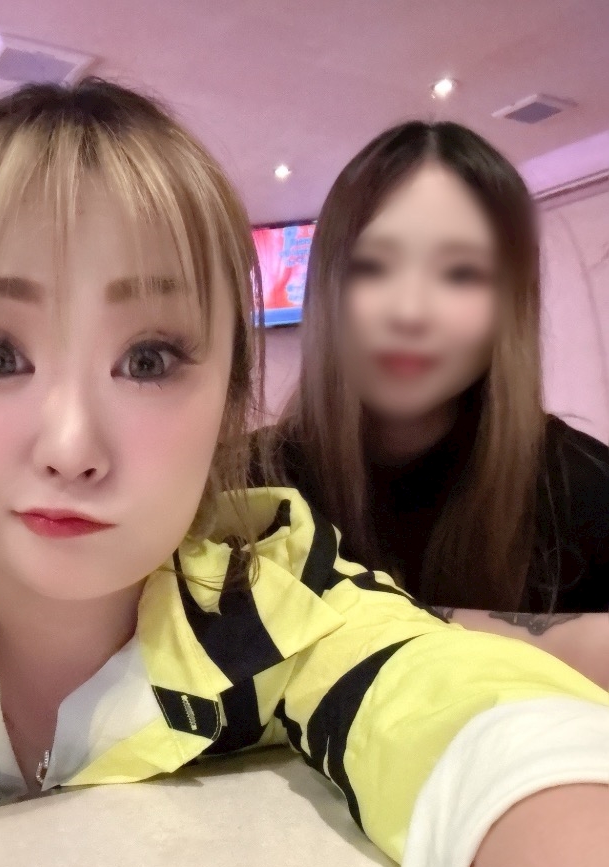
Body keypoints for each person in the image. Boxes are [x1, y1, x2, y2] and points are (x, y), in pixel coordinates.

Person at [0, 81, 608, 867]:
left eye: (147, 359)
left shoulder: (275, 595)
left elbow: (486, 726)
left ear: (228, 394)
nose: (70, 447)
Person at [258, 121, 609, 689]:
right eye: (372, 266)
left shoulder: (580, 487)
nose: (411, 312)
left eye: (461, 273)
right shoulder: (247, 486)